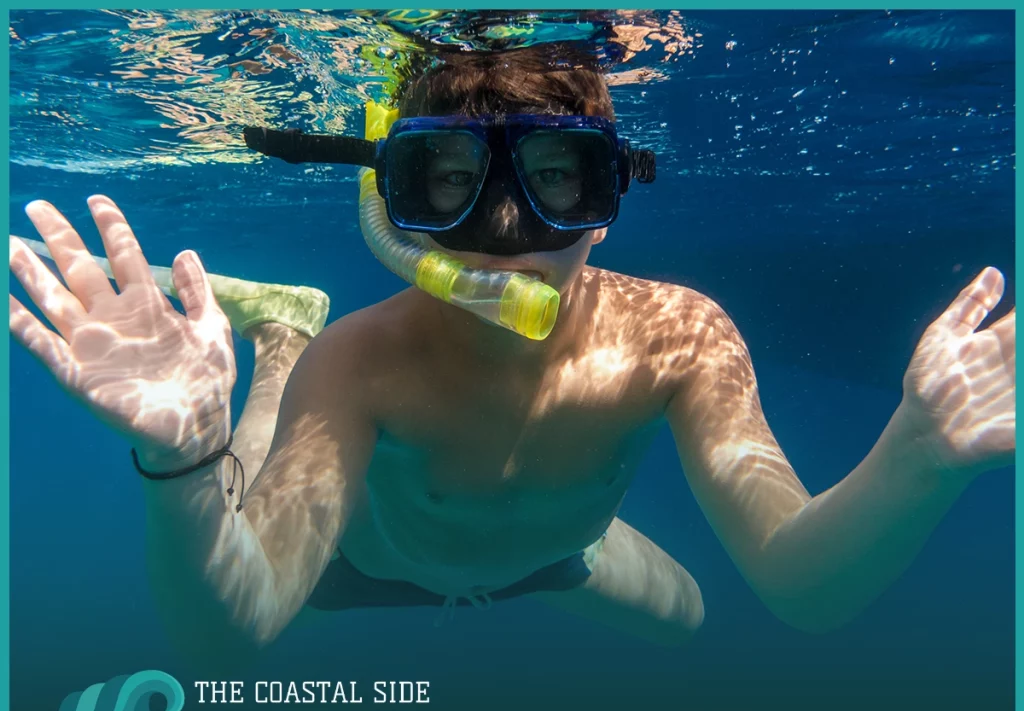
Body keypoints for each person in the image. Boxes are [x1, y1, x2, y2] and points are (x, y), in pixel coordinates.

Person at [8, 44, 1015, 671]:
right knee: (246, 461)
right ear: (398, 213)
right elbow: (231, 635)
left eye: (558, 181)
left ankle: (280, 333)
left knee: (695, 618)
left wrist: (913, 457)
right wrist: (180, 462)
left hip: (555, 559)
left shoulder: (679, 333)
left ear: (609, 203)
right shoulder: (362, 365)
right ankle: (280, 338)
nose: (503, 232)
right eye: (444, 184)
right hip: (363, 571)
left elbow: (805, 589)